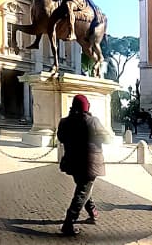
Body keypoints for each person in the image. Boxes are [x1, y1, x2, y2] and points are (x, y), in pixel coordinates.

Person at [56, 95, 114, 235]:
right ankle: (69, 223)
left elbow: (61, 137)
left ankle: (93, 212)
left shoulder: (64, 122)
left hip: (72, 162)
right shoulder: (92, 121)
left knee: (83, 188)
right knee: (82, 191)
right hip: (89, 163)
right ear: (86, 107)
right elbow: (107, 139)